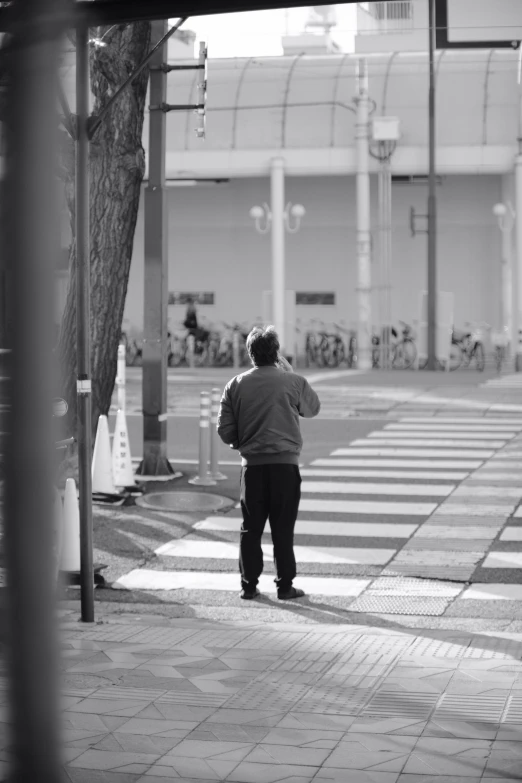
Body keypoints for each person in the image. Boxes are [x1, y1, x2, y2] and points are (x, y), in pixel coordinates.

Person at [217, 325, 321, 601]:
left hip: (252, 468)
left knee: (250, 528)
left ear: (250, 354)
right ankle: (284, 586)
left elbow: (224, 429)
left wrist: (243, 445)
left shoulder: (235, 385)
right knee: (282, 529)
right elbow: (313, 409)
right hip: (286, 467)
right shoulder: (292, 381)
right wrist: (289, 372)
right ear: (276, 354)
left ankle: (248, 585)